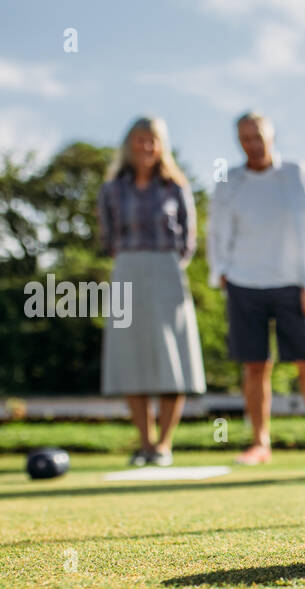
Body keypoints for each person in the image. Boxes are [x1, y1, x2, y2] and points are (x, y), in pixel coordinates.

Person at [207, 112, 305, 465]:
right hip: (244, 282)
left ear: (270, 136)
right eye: (245, 138)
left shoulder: (297, 174)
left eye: (257, 137)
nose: (252, 144)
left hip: (294, 282)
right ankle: (259, 444)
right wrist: (219, 271)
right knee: (255, 366)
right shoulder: (229, 182)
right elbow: (217, 229)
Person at [97, 116, 206, 466]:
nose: (146, 147)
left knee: (170, 354)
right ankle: (144, 444)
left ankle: (163, 444)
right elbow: (107, 235)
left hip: (167, 271)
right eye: (139, 140)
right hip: (127, 267)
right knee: (132, 357)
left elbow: (189, 238)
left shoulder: (175, 187)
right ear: (129, 145)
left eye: (152, 140)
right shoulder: (112, 188)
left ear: (161, 145)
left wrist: (165, 266)